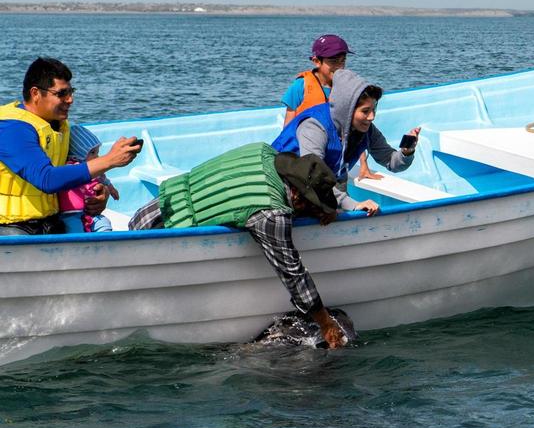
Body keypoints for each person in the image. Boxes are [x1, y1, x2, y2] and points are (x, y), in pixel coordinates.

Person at [128, 144, 350, 348]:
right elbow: (293, 273)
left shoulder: (264, 153)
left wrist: (324, 208)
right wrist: (325, 323)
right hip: (158, 233)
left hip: (147, 212)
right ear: (299, 198)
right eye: (313, 205)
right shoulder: (270, 213)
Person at [0, 57, 141, 236]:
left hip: (50, 220)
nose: (70, 99)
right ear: (35, 93)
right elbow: (47, 179)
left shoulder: (59, 127)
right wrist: (109, 160)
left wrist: (100, 193)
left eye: (71, 92)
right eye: (61, 94)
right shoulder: (12, 129)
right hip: (11, 226)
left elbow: (74, 169)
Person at [271, 69, 418, 214]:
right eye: (365, 111)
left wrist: (407, 151)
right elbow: (313, 175)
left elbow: (391, 162)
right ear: (346, 109)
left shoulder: (367, 130)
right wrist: (353, 204)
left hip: (309, 190)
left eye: (374, 110)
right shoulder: (315, 126)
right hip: (279, 187)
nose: (371, 117)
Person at [57, 126, 120, 233]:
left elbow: (104, 178)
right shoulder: (70, 168)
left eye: (97, 152)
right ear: (77, 155)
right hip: (71, 213)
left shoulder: (94, 170)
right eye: (92, 153)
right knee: (75, 231)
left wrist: (111, 189)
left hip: (92, 213)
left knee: (105, 224)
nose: (97, 156)